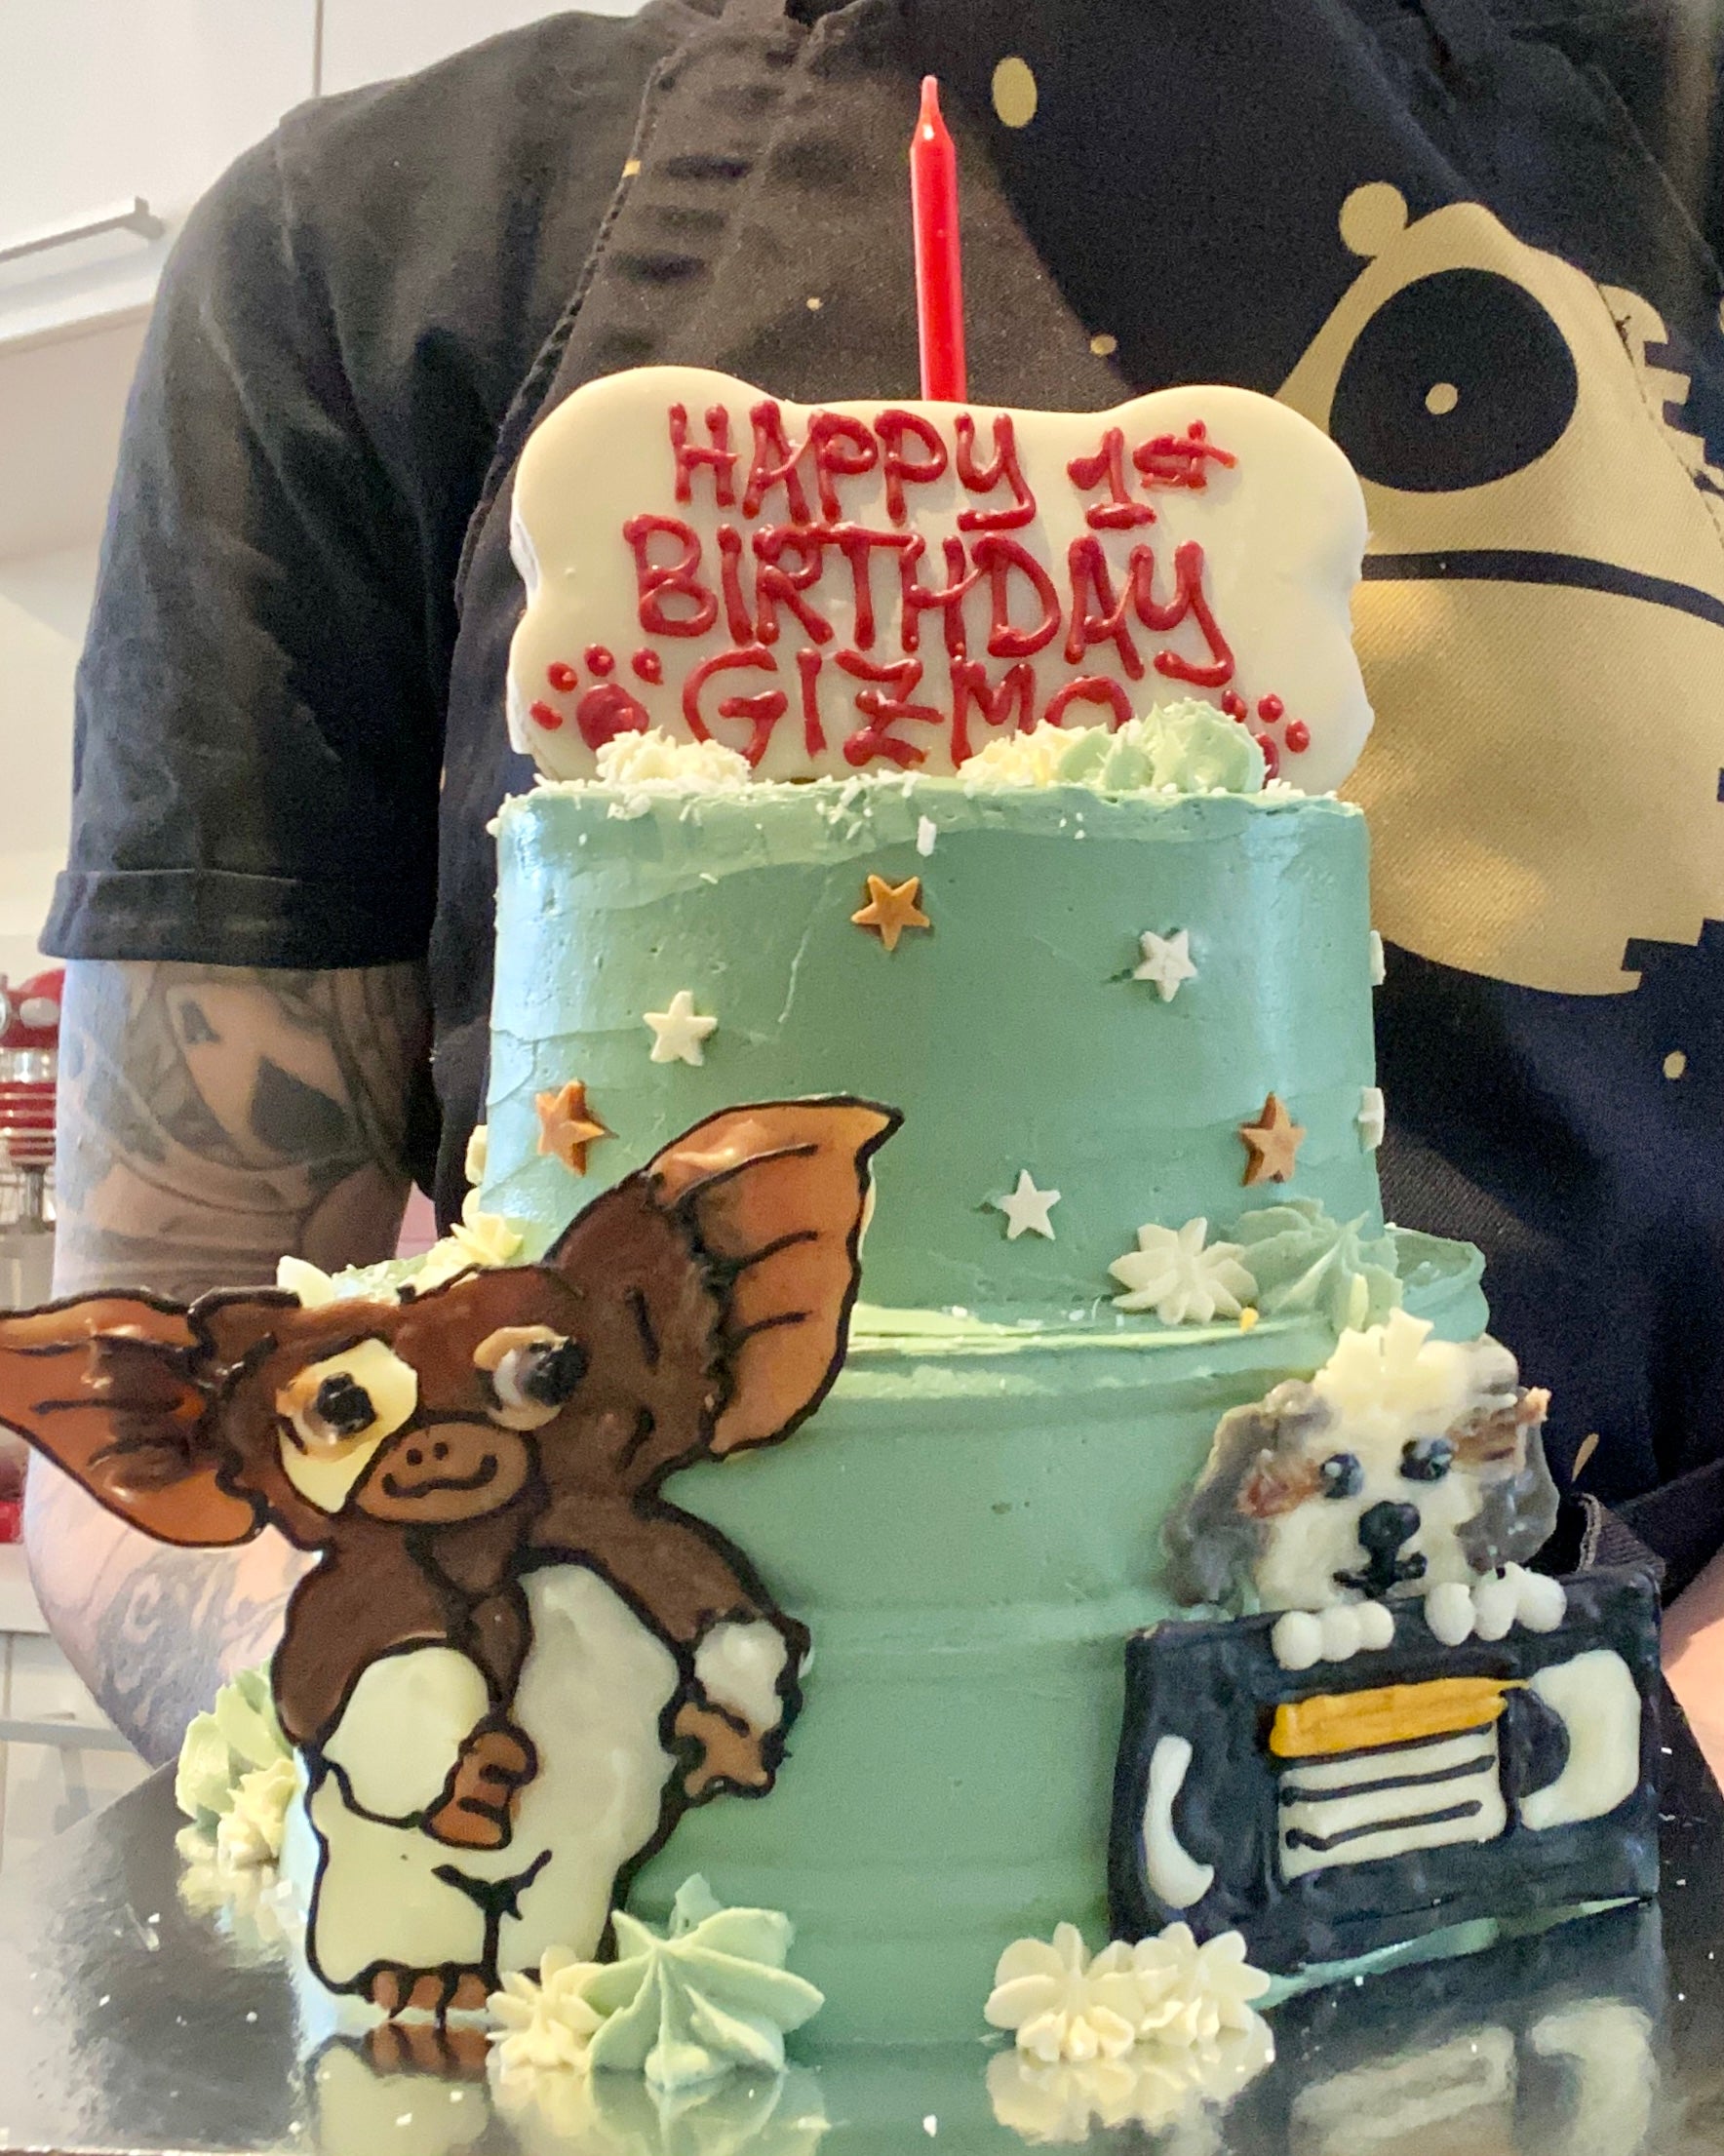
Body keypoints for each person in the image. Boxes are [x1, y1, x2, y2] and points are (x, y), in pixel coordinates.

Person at [27, 0, 1724, 1763]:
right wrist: (461, 1780)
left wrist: (1657, 1792)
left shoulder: (1692, 124)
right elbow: (182, 1368)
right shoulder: (369, 245)